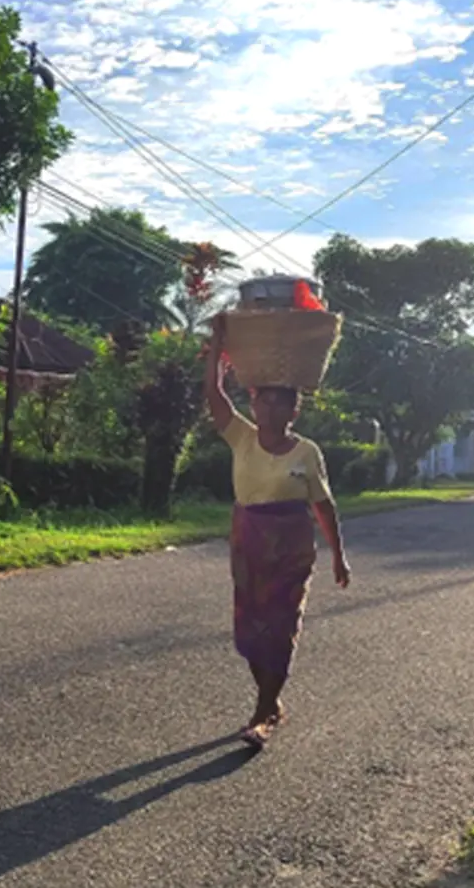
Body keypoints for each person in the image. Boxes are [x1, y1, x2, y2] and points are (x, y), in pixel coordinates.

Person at [205, 313, 350, 749]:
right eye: (262, 402)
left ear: (294, 408)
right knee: (251, 628)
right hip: (248, 543)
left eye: (278, 403)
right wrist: (217, 344)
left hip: (291, 550)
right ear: (253, 405)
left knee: (282, 626)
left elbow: (323, 505)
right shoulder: (242, 438)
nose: (268, 409)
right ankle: (269, 702)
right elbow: (213, 395)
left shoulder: (307, 452)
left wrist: (339, 556)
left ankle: (264, 711)